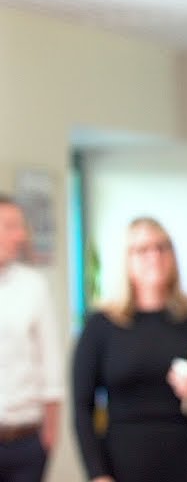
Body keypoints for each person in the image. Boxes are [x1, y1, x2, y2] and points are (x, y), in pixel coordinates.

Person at [71, 218, 187, 482]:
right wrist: (97, 473)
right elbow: (82, 407)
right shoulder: (101, 325)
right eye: (142, 250)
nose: (154, 256)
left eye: (162, 247)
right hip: (125, 461)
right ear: (126, 260)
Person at [0, 195, 62, 482]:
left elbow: (50, 362)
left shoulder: (32, 286)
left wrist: (50, 431)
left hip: (24, 440)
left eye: (21, 226)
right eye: (10, 226)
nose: (21, 235)